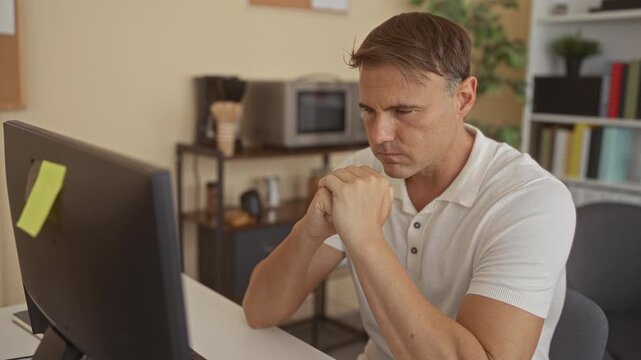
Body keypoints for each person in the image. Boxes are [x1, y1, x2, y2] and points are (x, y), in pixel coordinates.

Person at [242, 12, 575, 360]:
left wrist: (366, 240)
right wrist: (308, 232)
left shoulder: (530, 200)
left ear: (463, 98)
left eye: (404, 111)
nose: (378, 136)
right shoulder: (361, 171)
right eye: (369, 110)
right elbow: (259, 312)